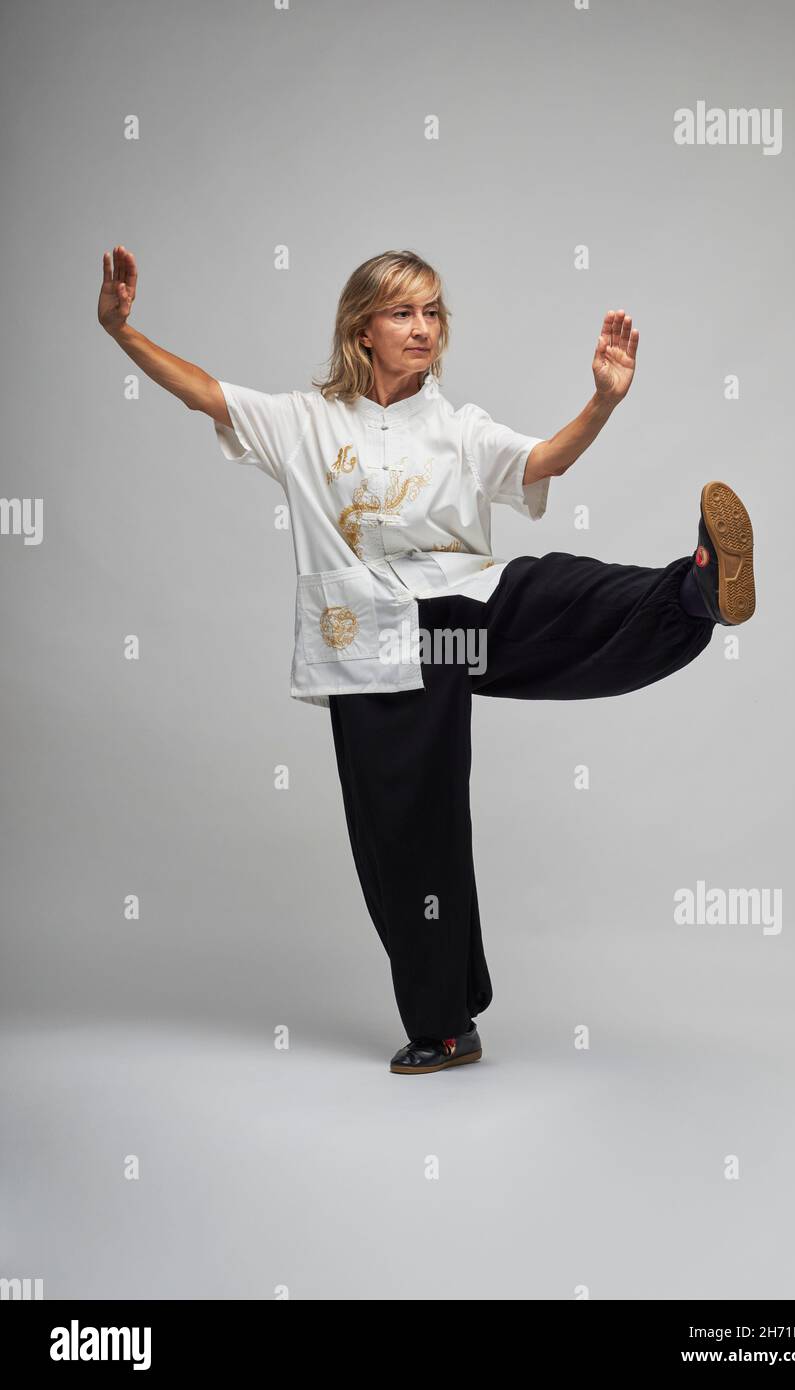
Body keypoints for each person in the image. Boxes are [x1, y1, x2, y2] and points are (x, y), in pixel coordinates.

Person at [98, 245, 756, 1076]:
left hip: (456, 612)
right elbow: (206, 392)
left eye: (434, 312)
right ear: (361, 328)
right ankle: (447, 1025)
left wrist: (601, 401)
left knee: (558, 589)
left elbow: (541, 462)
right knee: (412, 835)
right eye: (404, 312)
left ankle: (690, 593)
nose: (423, 328)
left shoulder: (457, 425)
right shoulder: (305, 421)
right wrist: (123, 330)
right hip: (370, 644)